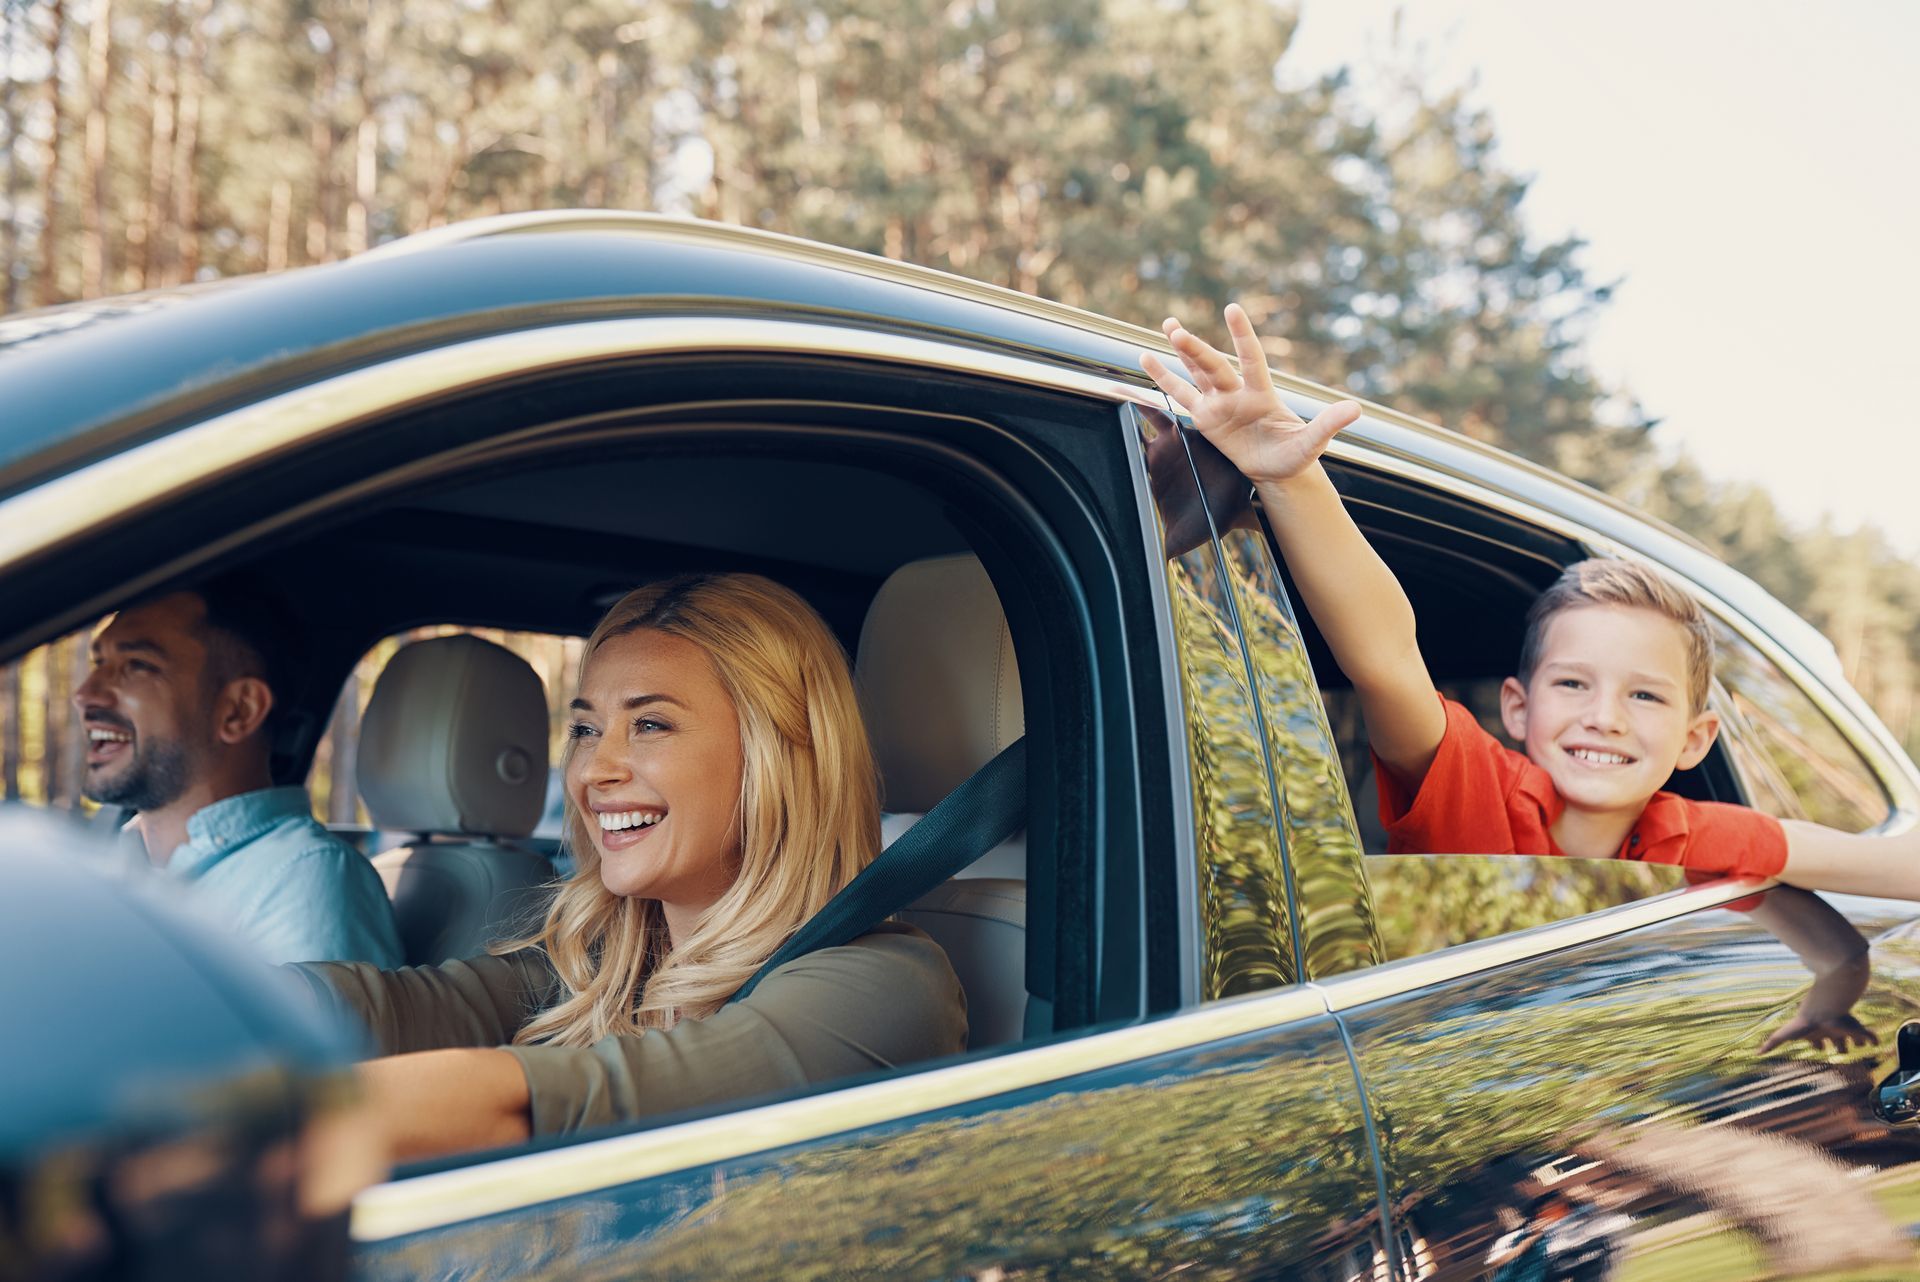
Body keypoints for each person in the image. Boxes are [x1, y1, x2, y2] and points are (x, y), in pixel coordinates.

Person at [1139, 305, 1912, 1046]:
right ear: (1518, 707)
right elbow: (1385, 656)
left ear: (1694, 738)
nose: (1605, 716)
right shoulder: (1477, 793)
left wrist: (1830, 998)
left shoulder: (1697, 837)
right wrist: (1293, 480)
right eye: (1573, 685)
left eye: (1645, 695)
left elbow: (1889, 876)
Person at [293, 573, 968, 1161]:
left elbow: (554, 1105)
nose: (594, 771)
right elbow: (396, 1008)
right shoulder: (605, 968)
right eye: (586, 729)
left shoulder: (883, 988)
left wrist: (252, 1126)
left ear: (774, 758)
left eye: (650, 725)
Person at [73, 574, 401, 967]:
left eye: (137, 665)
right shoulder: (119, 859)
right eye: (99, 662)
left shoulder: (303, 879)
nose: (85, 694)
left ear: (238, 710)